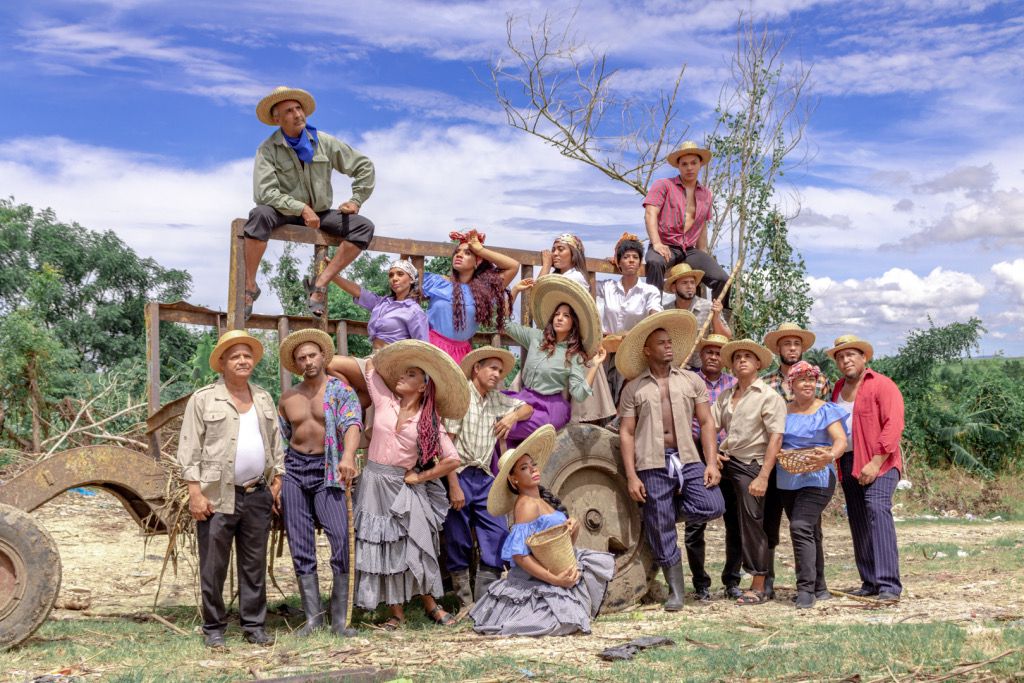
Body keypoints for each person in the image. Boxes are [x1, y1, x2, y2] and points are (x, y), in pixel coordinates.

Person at [176, 330, 284, 648]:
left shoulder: (263, 397)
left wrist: (276, 482)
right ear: (221, 363)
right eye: (234, 355)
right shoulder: (204, 398)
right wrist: (195, 493)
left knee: (253, 563)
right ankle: (213, 628)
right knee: (214, 565)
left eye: (247, 355)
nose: (242, 360)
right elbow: (189, 448)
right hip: (216, 495)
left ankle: (254, 626)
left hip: (257, 494)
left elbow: (276, 444)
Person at [353, 339, 470, 629]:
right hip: (373, 484)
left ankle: (431, 605)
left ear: (423, 387)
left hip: (402, 486)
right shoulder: (384, 401)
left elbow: (452, 459)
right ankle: (397, 615)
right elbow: (370, 367)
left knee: (415, 546)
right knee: (384, 547)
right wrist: (385, 351)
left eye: (411, 375)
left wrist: (420, 476)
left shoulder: (427, 421)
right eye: (402, 374)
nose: (402, 378)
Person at [617, 311, 726, 611]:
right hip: (651, 461)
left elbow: (706, 423)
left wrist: (712, 462)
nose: (668, 347)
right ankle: (676, 591)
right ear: (647, 350)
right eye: (661, 343)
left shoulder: (691, 381)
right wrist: (631, 475)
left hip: (688, 457)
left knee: (713, 504)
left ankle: (662, 512)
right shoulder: (634, 387)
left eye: (670, 342)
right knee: (662, 528)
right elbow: (626, 432)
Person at [240, 87, 376, 319]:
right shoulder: (267, 149)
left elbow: (364, 166)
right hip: (284, 211)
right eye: (289, 111)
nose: (297, 114)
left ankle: (319, 285)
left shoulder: (324, 142)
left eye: (299, 108)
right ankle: (250, 286)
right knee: (259, 214)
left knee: (364, 227)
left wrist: (356, 200)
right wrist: (301, 208)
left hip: (320, 213)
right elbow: (264, 193)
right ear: (277, 119)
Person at [470, 425, 614, 636]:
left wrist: (573, 528)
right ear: (513, 479)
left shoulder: (543, 500)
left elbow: (559, 547)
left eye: (533, 465)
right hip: (538, 576)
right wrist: (555, 580)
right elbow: (520, 556)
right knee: (555, 622)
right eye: (524, 468)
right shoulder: (526, 505)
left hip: (557, 565)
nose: (533, 470)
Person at [277, 329, 361, 636]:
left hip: (329, 469)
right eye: (302, 358)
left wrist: (348, 456)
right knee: (301, 544)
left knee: (340, 538)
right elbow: (283, 439)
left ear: (323, 357)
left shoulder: (340, 391)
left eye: (312, 355)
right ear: (296, 364)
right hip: (296, 470)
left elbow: (352, 423)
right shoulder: (288, 398)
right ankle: (313, 618)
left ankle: (340, 620)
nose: (308, 361)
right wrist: (278, 478)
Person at [443, 347, 535, 606]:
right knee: (457, 535)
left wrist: (512, 417)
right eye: (492, 368)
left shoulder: (495, 399)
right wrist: (452, 485)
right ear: (476, 369)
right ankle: (465, 602)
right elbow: (446, 446)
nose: (497, 374)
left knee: (496, 531)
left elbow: (527, 408)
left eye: (500, 370)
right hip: (459, 472)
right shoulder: (461, 397)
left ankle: (486, 601)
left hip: (484, 476)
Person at [827, 335, 905, 601]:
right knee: (858, 517)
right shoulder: (837, 389)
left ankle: (888, 586)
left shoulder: (882, 385)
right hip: (848, 460)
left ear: (864, 358)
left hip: (880, 461)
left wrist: (875, 461)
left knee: (876, 508)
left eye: (851, 355)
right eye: (840, 357)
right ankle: (869, 581)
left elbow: (893, 425)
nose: (846, 360)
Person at [760, 322, 832, 598]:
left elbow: (825, 417)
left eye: (796, 344)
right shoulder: (766, 383)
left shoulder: (820, 380)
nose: (791, 348)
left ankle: (817, 585)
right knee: (769, 525)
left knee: (809, 526)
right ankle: (765, 581)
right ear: (778, 348)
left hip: (808, 466)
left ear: (801, 348)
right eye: (786, 344)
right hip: (774, 463)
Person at [712, 339, 786, 606]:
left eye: (748, 356)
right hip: (729, 462)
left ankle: (759, 584)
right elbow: (710, 425)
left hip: (753, 464)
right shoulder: (726, 396)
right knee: (733, 524)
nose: (742, 360)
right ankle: (731, 579)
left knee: (754, 524)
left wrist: (764, 475)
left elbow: (776, 437)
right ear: (731, 365)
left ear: (757, 364)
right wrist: (712, 456)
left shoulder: (768, 396)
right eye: (737, 357)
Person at [501, 275, 607, 450]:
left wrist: (595, 364)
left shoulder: (574, 355)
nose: (559, 318)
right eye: (557, 314)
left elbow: (579, 394)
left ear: (574, 323)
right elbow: (505, 324)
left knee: (505, 427)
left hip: (549, 409)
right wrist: (515, 290)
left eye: (566, 316)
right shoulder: (536, 337)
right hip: (524, 398)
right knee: (490, 416)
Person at [777, 361, 847, 609]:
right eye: (802, 379)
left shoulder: (826, 409)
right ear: (791, 384)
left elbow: (840, 439)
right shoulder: (782, 411)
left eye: (812, 379)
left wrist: (830, 455)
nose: (808, 383)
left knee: (800, 526)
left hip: (818, 477)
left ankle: (805, 589)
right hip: (787, 478)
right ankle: (820, 587)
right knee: (811, 531)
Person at [683, 334, 743, 601]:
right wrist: (708, 455)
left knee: (735, 521)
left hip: (730, 455)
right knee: (696, 520)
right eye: (708, 351)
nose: (713, 356)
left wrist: (720, 451)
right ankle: (700, 583)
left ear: (725, 358)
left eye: (719, 352)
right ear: (701, 354)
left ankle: (732, 580)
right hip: (696, 452)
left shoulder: (735, 384)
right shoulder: (689, 379)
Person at [643, 141, 731, 304]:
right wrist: (656, 243)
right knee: (654, 262)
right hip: (666, 245)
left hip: (689, 250)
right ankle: (653, 315)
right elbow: (650, 213)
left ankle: (719, 323)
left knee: (723, 279)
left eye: (693, 163)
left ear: (700, 165)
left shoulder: (706, 194)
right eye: (684, 164)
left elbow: (702, 225)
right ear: (678, 167)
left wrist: (703, 253)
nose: (689, 167)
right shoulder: (664, 185)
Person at [421, 230, 519, 363]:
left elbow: (513, 266)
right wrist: (404, 257)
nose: (459, 255)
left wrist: (479, 250)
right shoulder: (438, 282)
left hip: (461, 353)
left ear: (477, 262)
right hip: (430, 347)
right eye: (457, 252)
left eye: (467, 253)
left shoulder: (484, 291)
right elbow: (406, 281)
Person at [596, 233, 662, 404]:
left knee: (627, 395)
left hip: (633, 349)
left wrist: (636, 334)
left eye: (635, 257)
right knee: (602, 394)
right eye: (626, 257)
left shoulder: (649, 291)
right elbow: (582, 289)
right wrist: (602, 265)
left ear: (640, 263)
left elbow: (654, 315)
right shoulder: (608, 287)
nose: (631, 260)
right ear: (618, 262)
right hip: (606, 348)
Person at [331, 258, 429, 352]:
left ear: (411, 279)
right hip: (374, 356)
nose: (394, 278)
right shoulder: (382, 303)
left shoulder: (414, 311)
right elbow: (358, 291)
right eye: (391, 275)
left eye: (400, 274)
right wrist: (331, 273)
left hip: (395, 361)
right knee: (330, 364)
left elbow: (423, 346)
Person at [661, 263, 732, 369]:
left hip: (702, 370)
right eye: (684, 283)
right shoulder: (665, 311)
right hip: (674, 368)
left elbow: (726, 336)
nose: (689, 286)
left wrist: (716, 317)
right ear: (674, 288)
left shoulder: (708, 307)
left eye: (692, 283)